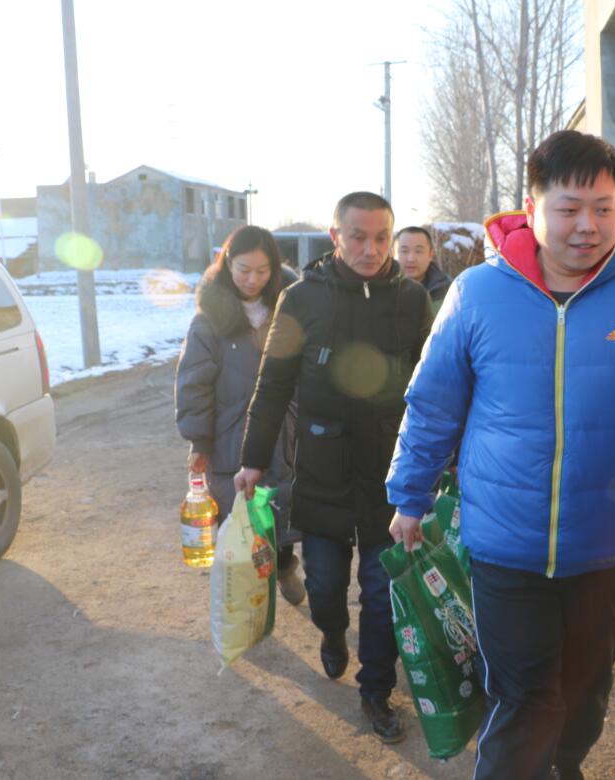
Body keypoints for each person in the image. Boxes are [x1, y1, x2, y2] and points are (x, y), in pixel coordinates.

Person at [385, 130, 615, 778]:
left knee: (584, 697)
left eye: (603, 208)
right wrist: (410, 493)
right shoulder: (477, 295)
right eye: (569, 208)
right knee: (525, 700)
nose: (587, 226)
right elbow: (433, 403)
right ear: (531, 206)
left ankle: (565, 765)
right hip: (503, 544)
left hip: (604, 545)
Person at [235, 192, 433, 743]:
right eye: (357, 237)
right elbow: (273, 385)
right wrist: (253, 460)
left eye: (381, 238)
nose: (371, 249)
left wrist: (441, 462)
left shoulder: (413, 301)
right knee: (324, 585)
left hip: (388, 477)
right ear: (335, 236)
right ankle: (331, 632)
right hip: (322, 471)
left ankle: (376, 691)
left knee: (381, 591)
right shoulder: (302, 299)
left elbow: (436, 389)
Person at [175, 226, 305, 606]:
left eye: (263, 271)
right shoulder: (208, 322)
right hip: (231, 438)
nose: (252, 279)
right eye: (244, 270)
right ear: (227, 264)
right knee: (240, 522)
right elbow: (194, 384)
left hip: (285, 433)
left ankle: (284, 566)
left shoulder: (293, 311)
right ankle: (250, 605)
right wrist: (200, 442)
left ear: (275, 269)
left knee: (281, 515)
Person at [395, 225, 451, 310]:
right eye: (404, 251)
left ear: (430, 255)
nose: (411, 259)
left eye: (418, 251)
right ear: (392, 253)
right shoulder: (378, 290)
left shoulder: (447, 292)